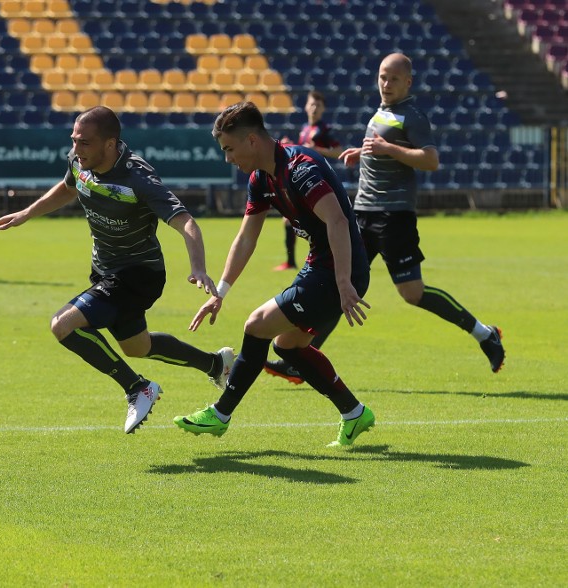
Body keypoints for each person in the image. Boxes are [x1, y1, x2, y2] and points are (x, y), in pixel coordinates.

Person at [0, 106, 235, 434]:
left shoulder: (138, 177)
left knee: (63, 325)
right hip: (105, 271)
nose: (76, 149)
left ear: (110, 144)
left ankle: (137, 387)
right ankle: (216, 363)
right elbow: (70, 186)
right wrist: (26, 213)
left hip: (139, 274)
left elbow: (185, 220)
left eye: (85, 143)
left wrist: (199, 267)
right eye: (74, 141)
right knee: (137, 346)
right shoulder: (79, 162)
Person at [265, 53, 505, 384]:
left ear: (408, 82)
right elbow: (382, 147)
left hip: (394, 217)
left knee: (412, 293)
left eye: (393, 78)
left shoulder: (413, 116)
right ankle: (301, 358)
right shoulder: (382, 111)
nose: (385, 83)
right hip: (362, 212)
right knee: (339, 281)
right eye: (381, 76)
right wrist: (361, 151)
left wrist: (387, 150)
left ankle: (484, 333)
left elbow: (431, 160)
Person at [174, 101, 375, 447]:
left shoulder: (301, 168)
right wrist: (219, 292)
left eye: (229, 149)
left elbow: (338, 221)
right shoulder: (261, 179)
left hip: (340, 271)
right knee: (288, 346)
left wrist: (344, 282)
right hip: (321, 268)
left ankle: (220, 415)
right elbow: (246, 237)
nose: (228, 158)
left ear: (252, 141)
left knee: (256, 326)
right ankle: (354, 413)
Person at [274, 90, 343, 272]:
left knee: (316, 221)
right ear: (306, 106)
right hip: (303, 180)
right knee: (289, 220)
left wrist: (317, 149)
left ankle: (326, 257)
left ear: (323, 109)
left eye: (318, 105)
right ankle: (291, 261)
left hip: (318, 181)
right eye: (312, 104)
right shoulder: (305, 128)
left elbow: (338, 151)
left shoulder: (324, 130)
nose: (314, 108)